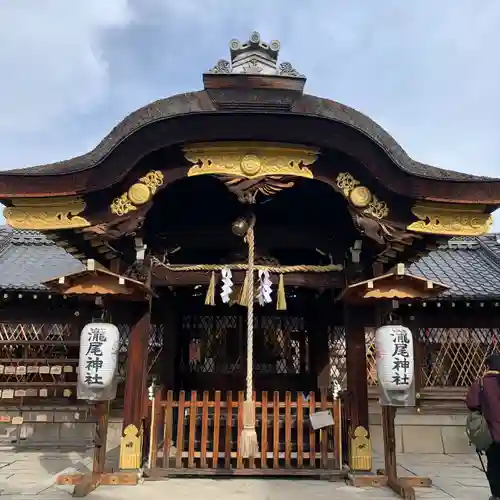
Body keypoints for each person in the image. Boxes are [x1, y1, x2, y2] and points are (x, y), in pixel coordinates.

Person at [466, 354, 500, 500]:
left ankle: (497, 494)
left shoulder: (480, 383)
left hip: (493, 434)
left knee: (494, 464)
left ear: (488, 366)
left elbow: (472, 404)